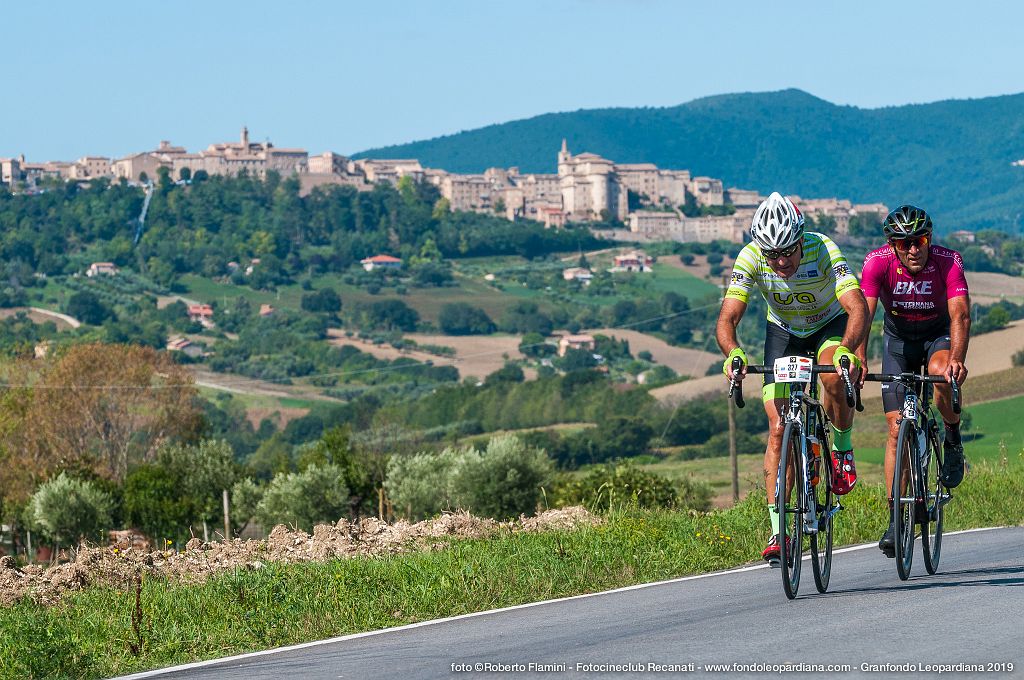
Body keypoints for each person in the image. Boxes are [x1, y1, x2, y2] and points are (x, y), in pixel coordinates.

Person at [717, 192, 869, 562]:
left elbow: (857, 307)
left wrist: (849, 348)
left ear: (801, 240)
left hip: (828, 326)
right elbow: (727, 319)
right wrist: (733, 352)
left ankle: (842, 449)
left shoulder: (823, 248)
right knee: (778, 427)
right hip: (783, 333)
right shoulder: (752, 256)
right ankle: (778, 531)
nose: (781, 261)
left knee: (833, 376)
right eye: (773, 254)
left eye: (787, 251)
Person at [856, 204, 970, 558]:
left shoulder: (948, 261)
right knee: (895, 431)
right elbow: (864, 312)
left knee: (940, 374)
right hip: (898, 343)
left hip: (937, 337)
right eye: (903, 243)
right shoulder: (877, 262)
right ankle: (896, 516)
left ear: (929, 238)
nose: (913, 249)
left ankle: (952, 436)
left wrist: (956, 360)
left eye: (919, 240)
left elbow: (961, 314)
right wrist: (858, 356)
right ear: (892, 245)